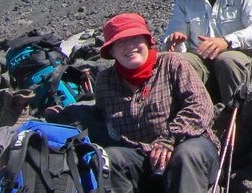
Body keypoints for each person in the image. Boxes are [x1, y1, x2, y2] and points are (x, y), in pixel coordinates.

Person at [94, 13, 220, 193]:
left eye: (135, 38)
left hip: (186, 145)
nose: (130, 46)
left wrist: (169, 138)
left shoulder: (172, 63)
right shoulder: (104, 81)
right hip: (140, 156)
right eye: (120, 42)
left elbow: (200, 106)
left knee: (185, 155)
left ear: (147, 41)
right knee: (109, 158)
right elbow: (99, 120)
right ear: (111, 51)